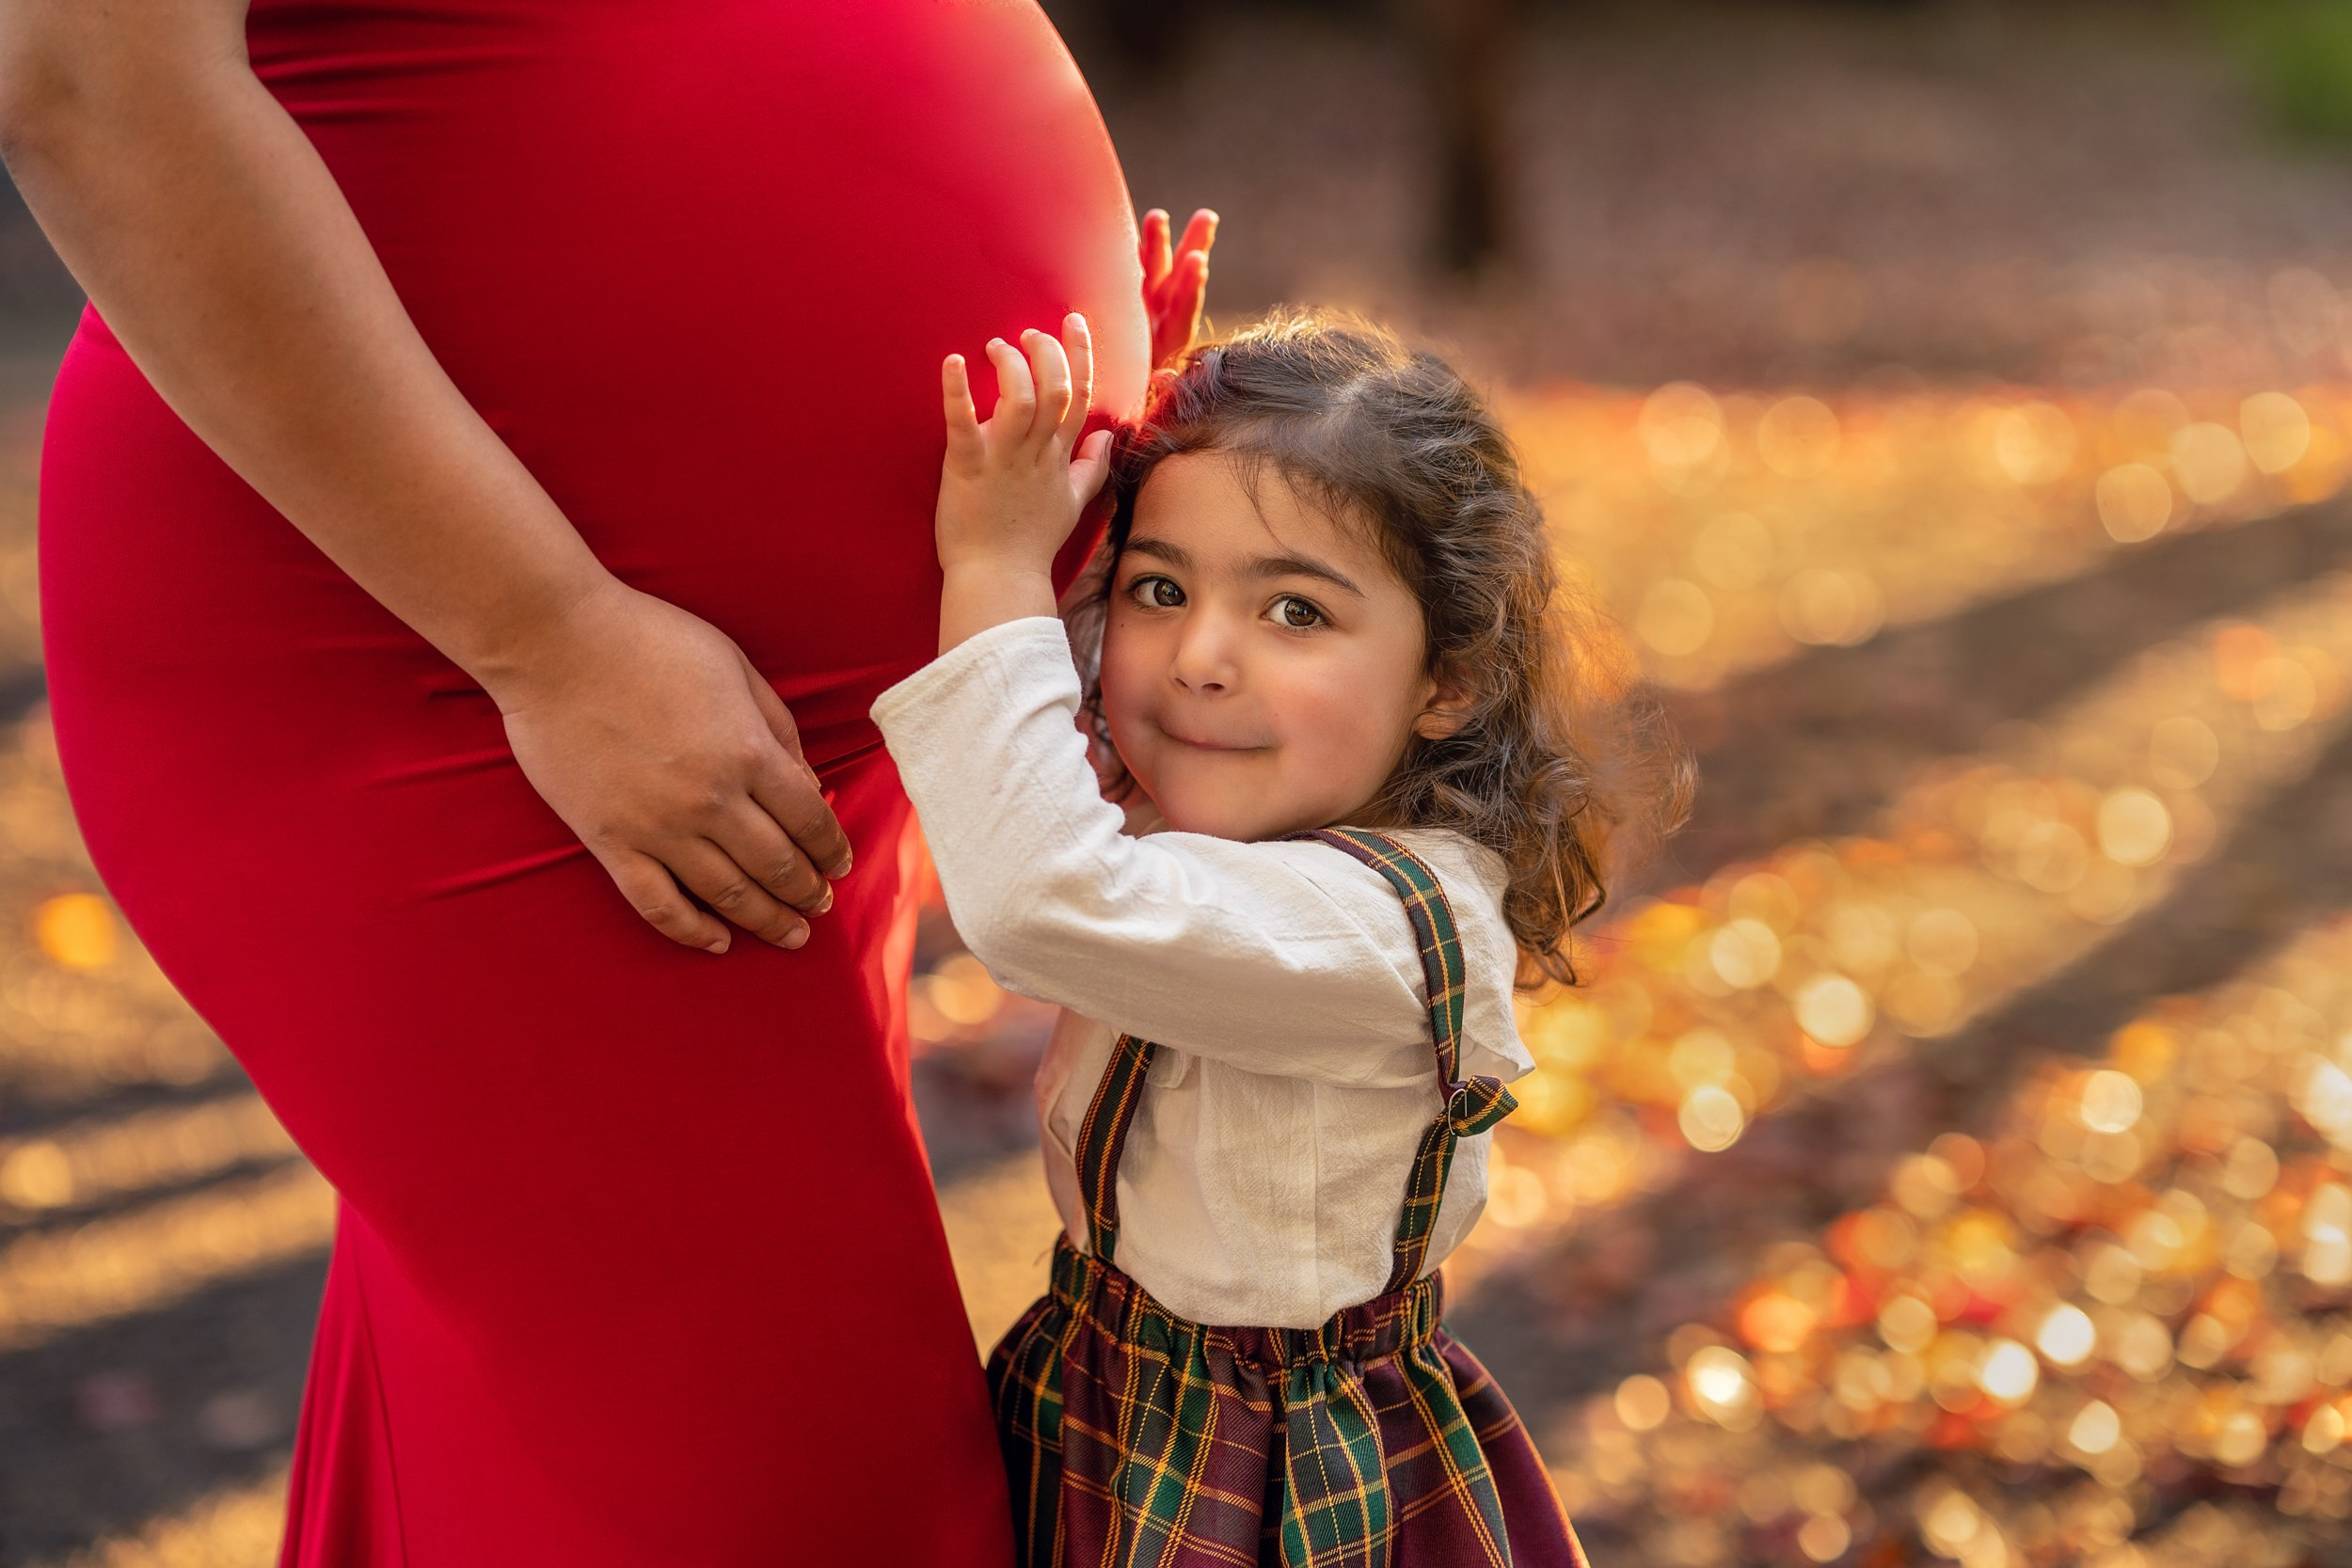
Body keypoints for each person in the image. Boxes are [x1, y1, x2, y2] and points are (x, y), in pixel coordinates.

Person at [0, 0, 1213, 1560]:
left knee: (522, 1462)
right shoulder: (538, 658)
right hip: (443, 671)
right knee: (808, 1494)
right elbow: (91, 85)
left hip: (723, 701)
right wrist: (545, 636)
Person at [875, 309, 1687, 1564]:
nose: (1199, 659)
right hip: (1093, 1393)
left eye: (1296, 613)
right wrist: (1106, 404)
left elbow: (1037, 890)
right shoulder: (1217, 812)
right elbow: (1038, 712)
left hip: (1271, 1478)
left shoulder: (1384, 932)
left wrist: (991, 563)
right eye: (1160, 589)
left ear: (1451, 679)